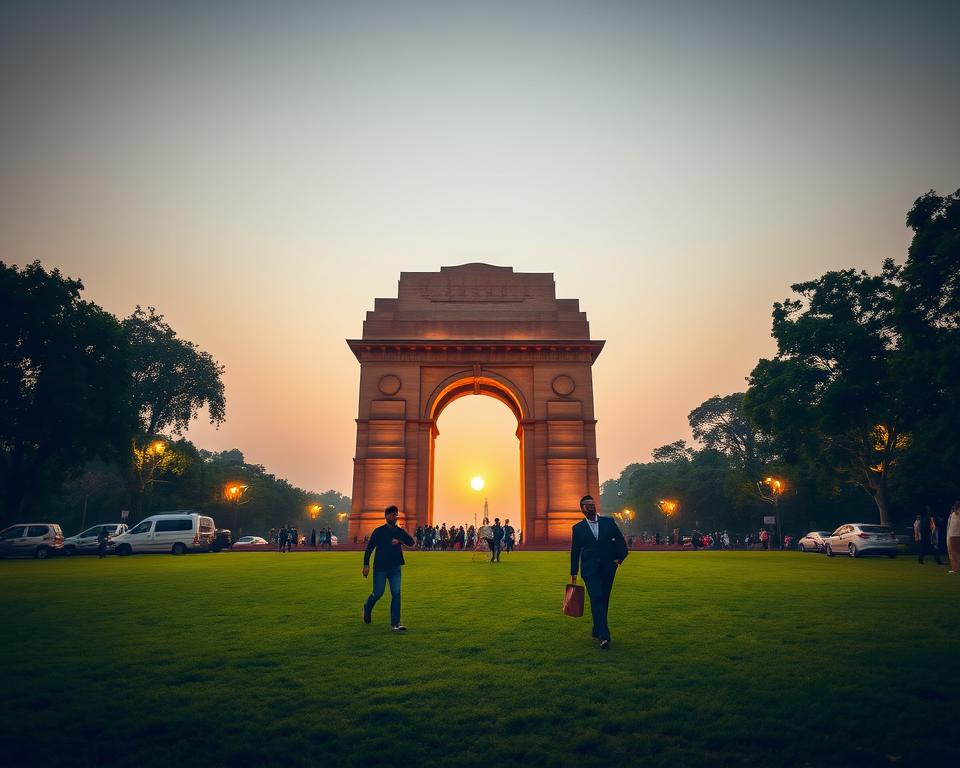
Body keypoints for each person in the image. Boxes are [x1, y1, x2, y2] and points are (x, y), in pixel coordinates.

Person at [569, 494, 628, 650]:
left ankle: (597, 628)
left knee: (604, 599)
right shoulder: (578, 528)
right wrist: (573, 572)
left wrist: (619, 559)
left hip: (608, 568)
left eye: (592, 504)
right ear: (582, 509)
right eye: (587, 505)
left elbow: (620, 541)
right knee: (596, 597)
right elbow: (574, 551)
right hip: (589, 570)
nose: (591, 507)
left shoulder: (608, 522)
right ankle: (604, 635)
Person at [362, 505, 415, 631]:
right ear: (386, 516)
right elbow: (369, 549)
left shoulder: (399, 531)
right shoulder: (378, 531)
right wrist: (366, 565)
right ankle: (367, 607)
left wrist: (400, 540)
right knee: (378, 593)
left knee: (396, 593)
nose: (395, 517)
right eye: (392, 514)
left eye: (396, 514)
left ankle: (395, 624)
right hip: (380, 567)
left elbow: (411, 543)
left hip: (395, 567)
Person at [946, 502, 960, 574]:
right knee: (957, 553)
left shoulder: (954, 514)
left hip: (953, 535)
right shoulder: (954, 514)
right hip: (956, 535)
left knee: (954, 553)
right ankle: (957, 568)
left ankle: (955, 568)